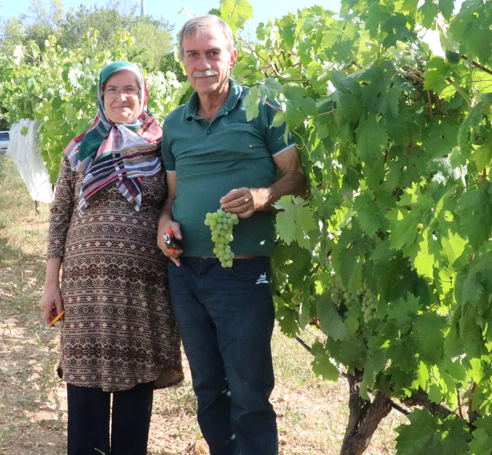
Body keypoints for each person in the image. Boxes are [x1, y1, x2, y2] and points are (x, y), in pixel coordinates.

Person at [156, 15, 308, 455]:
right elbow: (171, 198)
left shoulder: (263, 108)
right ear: (182, 61)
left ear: (232, 57)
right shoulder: (174, 125)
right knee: (207, 388)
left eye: (212, 52)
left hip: (241, 275)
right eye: (192, 54)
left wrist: (263, 196)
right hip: (186, 274)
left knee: (248, 391)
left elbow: (299, 180)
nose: (202, 63)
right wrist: (164, 223)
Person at [41, 60, 183, 455]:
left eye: (130, 89)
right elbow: (59, 216)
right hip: (86, 290)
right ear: (101, 96)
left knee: (136, 387)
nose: (122, 97)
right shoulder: (79, 149)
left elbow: (173, 200)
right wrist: (51, 283)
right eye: (113, 90)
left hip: (143, 289)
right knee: (85, 384)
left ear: (143, 95)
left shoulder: (161, 146)